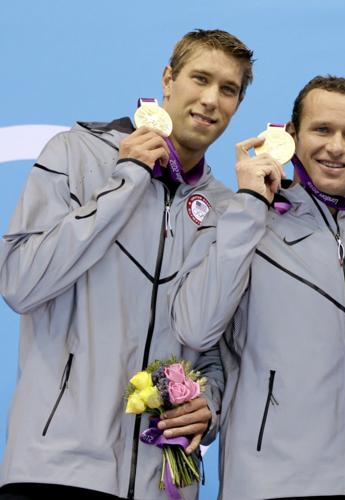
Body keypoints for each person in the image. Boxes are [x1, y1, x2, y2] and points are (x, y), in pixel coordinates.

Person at [0, 29, 254, 499]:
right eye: (200, 79)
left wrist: (209, 404)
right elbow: (20, 282)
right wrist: (128, 179)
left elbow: (215, 347)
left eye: (228, 89)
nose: (210, 100)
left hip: (164, 482)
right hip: (58, 470)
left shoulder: (225, 208)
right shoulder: (76, 153)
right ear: (168, 79)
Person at [170, 75, 345, 499]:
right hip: (267, 486)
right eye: (322, 129)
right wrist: (251, 203)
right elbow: (196, 329)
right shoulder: (240, 216)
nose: (337, 147)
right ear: (291, 136)